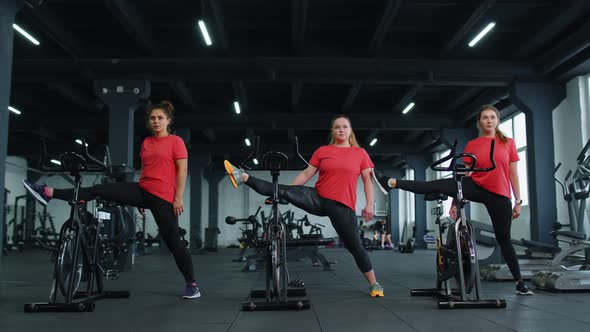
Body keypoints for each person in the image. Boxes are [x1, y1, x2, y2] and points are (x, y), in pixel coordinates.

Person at [23, 100, 201, 299]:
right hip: (143, 190)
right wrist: (141, 201)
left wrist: (178, 198)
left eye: (160, 118)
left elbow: (182, 170)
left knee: (174, 242)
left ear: (168, 120)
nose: (156, 121)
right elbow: (146, 170)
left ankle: (191, 284)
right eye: (152, 118)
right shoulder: (147, 143)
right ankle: (48, 193)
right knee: (99, 190)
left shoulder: (175, 142)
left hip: (163, 197)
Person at [373, 104, 534, 295]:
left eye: (492, 117)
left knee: (504, 239)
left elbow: (513, 174)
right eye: (485, 118)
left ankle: (519, 282)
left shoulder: (508, 142)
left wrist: (518, 201)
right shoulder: (473, 145)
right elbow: (464, 175)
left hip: (499, 194)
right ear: (479, 122)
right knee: (440, 184)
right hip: (476, 186)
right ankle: (392, 183)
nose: (489, 121)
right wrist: (455, 202)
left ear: (497, 120)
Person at [224, 115, 384, 297]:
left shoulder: (360, 154)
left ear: (350, 130)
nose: (341, 129)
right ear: (333, 131)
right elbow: (307, 173)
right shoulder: (323, 151)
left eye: (345, 126)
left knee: (355, 246)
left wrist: (370, 204)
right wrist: (287, 193)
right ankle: (242, 177)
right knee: (282, 189)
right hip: (318, 197)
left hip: (341, 205)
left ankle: (374, 284)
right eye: (337, 127)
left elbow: (368, 181)